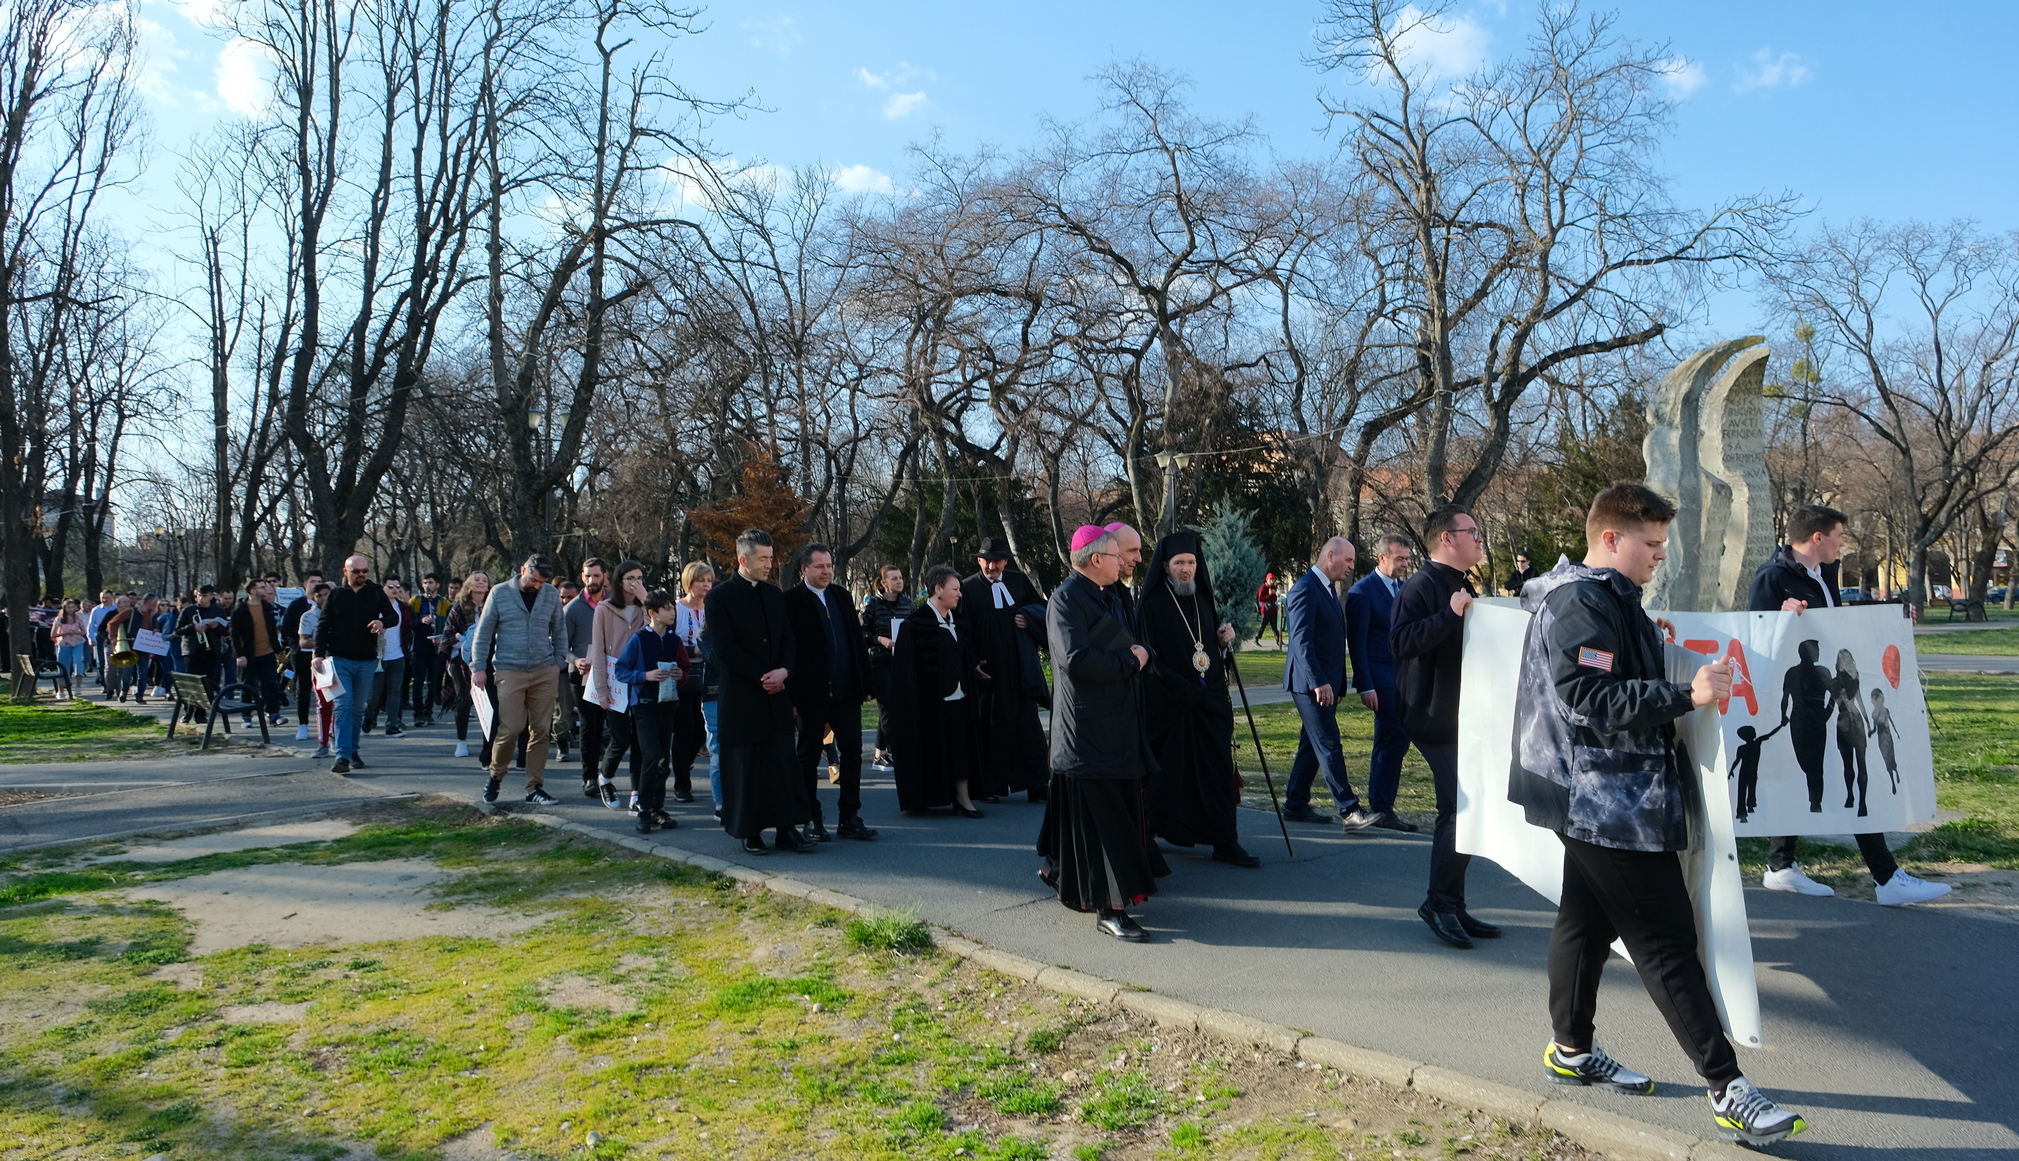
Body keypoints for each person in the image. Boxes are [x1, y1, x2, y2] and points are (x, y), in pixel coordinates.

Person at [1509, 482, 1809, 1148]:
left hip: (1595, 792)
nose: (1657, 557)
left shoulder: (1604, 597)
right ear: (1610, 539)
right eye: (1649, 544)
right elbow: (1583, 695)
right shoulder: (1583, 600)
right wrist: (1684, 692)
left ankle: (1569, 1048)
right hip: (1601, 797)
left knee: (1583, 920)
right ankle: (1728, 1088)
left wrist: (1668, 660)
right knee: (1664, 939)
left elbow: (1603, 676)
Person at [1747, 503, 1950, 906]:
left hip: (1832, 700)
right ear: (1817, 537)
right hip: (1802, 702)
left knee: (1834, 776)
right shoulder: (1772, 578)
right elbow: (1757, 635)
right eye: (1839, 535)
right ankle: (1884, 878)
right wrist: (1781, 617)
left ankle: (1783, 868)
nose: (1844, 543)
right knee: (1821, 776)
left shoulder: (1825, 575)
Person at [1039, 525, 1165, 941]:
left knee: (1111, 818)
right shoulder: (1066, 600)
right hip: (1088, 735)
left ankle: (1072, 881)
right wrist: (1132, 661)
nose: (1123, 562)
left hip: (1114, 728)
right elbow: (1077, 660)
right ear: (1096, 560)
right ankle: (1109, 910)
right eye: (1116, 555)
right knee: (1104, 826)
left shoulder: (1104, 596)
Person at [1391, 504, 1496, 949]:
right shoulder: (1421, 585)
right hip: (1433, 716)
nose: (1479, 538)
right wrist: (1450, 615)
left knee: (1470, 811)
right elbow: (1401, 641)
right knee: (1459, 809)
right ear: (1447, 538)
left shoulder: (1458, 583)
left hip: (1463, 715)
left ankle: (1452, 902)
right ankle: (1438, 903)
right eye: (1472, 531)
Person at [1136, 530, 1254, 866]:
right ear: (1165, 566)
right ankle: (1159, 827)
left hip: (1208, 705)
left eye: (1191, 562)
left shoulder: (1202, 598)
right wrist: (1185, 692)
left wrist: (1221, 641)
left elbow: (1206, 652)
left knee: (1217, 772)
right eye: (1179, 563)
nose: (1186, 569)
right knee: (1170, 776)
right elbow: (1149, 658)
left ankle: (1224, 840)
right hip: (1172, 706)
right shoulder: (1152, 605)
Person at [703, 529, 815, 855]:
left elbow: (788, 640)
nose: (769, 564)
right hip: (742, 696)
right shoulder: (720, 597)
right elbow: (725, 648)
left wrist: (784, 671)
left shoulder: (773, 594)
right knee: (745, 768)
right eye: (763, 558)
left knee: (782, 765)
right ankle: (749, 831)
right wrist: (761, 676)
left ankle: (787, 830)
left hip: (776, 694)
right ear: (743, 559)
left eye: (770, 557)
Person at [1280, 537, 1379, 830]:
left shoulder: (1327, 589)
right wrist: (1319, 682)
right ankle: (1350, 811)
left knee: (1312, 744)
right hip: (1310, 684)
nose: (1351, 567)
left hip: (1325, 683)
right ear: (1330, 555)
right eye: (1348, 560)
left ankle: (1296, 803)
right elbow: (1301, 641)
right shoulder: (1305, 589)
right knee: (1328, 743)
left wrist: (1336, 684)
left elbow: (1330, 640)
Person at [784, 543, 878, 841]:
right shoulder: (792, 601)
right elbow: (788, 651)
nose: (826, 572)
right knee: (808, 755)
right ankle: (811, 818)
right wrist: (792, 697)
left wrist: (865, 682)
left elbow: (855, 641)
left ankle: (849, 817)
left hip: (846, 692)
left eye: (829, 566)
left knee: (852, 751)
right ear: (804, 570)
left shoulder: (840, 596)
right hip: (810, 694)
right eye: (819, 567)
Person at [469, 554, 569, 805]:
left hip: (544, 669)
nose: (537, 586)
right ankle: (495, 775)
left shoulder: (550, 595)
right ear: (523, 570)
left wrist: (558, 662)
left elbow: (559, 630)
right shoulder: (500, 593)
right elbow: (483, 633)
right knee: (511, 728)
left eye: (542, 582)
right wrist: (478, 667)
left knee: (542, 731)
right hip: (509, 669)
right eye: (534, 580)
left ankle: (534, 787)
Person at [887, 564, 986, 817]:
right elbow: (906, 674)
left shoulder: (956, 622)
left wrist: (972, 665)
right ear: (938, 589)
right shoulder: (915, 625)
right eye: (955, 589)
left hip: (960, 697)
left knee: (961, 748)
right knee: (935, 749)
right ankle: (931, 796)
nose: (960, 594)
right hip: (931, 702)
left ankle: (963, 798)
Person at [956, 538, 1049, 803]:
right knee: (991, 727)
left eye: (997, 560)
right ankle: (991, 786)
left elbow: (1041, 608)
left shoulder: (1018, 582)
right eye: (986, 560)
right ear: (979, 561)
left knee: (1028, 727)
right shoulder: (968, 587)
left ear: (1006, 562)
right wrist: (972, 662)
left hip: (1019, 667)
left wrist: (1027, 618)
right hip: (989, 671)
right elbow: (962, 628)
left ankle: (1038, 784)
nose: (991, 565)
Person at [1344, 533, 1419, 832]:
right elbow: (1357, 642)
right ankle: (1382, 807)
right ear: (1382, 557)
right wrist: (1365, 684)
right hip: (1379, 677)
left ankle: (1381, 805)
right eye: (1399, 558)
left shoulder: (1404, 588)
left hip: (1403, 676)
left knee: (1391, 739)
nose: (1404, 564)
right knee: (1397, 735)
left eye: (1407, 559)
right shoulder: (1362, 592)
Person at [611, 589, 687, 834]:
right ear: (652, 613)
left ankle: (657, 809)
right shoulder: (639, 639)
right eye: (667, 608)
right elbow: (621, 670)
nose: (672, 612)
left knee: (664, 758)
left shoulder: (675, 641)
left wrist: (679, 675)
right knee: (651, 756)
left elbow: (684, 671)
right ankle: (643, 809)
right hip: (643, 705)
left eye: (673, 608)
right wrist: (645, 676)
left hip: (668, 705)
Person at [315, 556, 397, 775]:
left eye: (364, 571)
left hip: (367, 659)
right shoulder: (336, 595)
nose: (361, 575)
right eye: (356, 571)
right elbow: (323, 625)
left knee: (358, 708)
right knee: (343, 705)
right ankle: (342, 754)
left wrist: (382, 622)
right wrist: (317, 655)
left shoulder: (376, 592)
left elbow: (392, 616)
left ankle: (352, 750)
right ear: (345, 571)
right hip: (338, 659)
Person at [588, 560, 650, 810]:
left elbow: (652, 631)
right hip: (614, 681)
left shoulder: (644, 607)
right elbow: (599, 650)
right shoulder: (604, 609)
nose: (635, 583)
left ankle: (637, 793)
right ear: (619, 581)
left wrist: (646, 600)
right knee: (621, 737)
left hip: (640, 679)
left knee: (640, 741)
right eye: (630, 579)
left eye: (640, 577)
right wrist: (602, 689)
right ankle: (605, 778)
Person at [670, 563, 717, 811]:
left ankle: (683, 764)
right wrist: (694, 651)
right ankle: (681, 782)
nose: (706, 585)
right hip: (682, 677)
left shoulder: (713, 609)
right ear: (689, 582)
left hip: (709, 677)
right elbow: (668, 643)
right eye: (701, 580)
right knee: (685, 728)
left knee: (701, 731)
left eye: (709, 580)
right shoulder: (677, 609)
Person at [564, 558, 609, 794]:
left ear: (605, 576)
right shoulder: (572, 609)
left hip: (612, 673)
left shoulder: (615, 602)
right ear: (582, 577)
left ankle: (607, 775)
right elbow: (562, 646)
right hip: (583, 676)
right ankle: (590, 776)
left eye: (596, 575)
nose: (592, 580)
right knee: (590, 727)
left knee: (616, 729)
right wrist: (575, 660)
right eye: (588, 576)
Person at [861, 564, 913, 770]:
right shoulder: (873, 604)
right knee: (888, 706)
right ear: (884, 583)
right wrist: (878, 639)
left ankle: (879, 754)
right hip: (880, 662)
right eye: (894, 578)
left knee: (895, 706)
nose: (899, 581)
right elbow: (861, 635)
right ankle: (894, 752)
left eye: (900, 577)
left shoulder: (908, 605)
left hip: (901, 662)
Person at [446, 571, 492, 763]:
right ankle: (461, 741)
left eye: (484, 580)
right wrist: (463, 642)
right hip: (460, 661)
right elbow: (448, 634)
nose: (481, 583)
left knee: (490, 702)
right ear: (469, 585)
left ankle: (489, 744)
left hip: (488, 660)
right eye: (477, 580)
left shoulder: (493, 605)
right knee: (464, 699)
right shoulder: (458, 608)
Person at [229, 579, 286, 726]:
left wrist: (278, 651)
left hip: (268, 653)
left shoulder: (267, 607)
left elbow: (272, 631)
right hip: (249, 655)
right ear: (253, 591)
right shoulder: (240, 610)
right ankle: (246, 717)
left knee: (271, 684)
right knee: (248, 686)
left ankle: (273, 714)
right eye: (261, 588)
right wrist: (240, 654)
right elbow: (234, 635)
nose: (265, 590)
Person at [362, 577, 412, 738]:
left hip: (398, 655)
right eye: (390, 586)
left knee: (395, 691)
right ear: (383, 589)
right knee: (374, 694)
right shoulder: (375, 607)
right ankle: (368, 719)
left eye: (397, 586)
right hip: (378, 657)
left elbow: (410, 627)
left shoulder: (404, 607)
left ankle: (392, 725)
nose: (394, 589)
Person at [280, 572, 324, 740]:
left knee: (326, 689)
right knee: (303, 689)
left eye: (319, 581)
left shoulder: (327, 605)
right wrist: (303, 634)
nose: (316, 584)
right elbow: (286, 628)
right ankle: (303, 725)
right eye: (313, 581)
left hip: (322, 653)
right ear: (305, 584)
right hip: (302, 653)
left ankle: (327, 725)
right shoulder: (297, 605)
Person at [297, 583, 335, 758]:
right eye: (320, 595)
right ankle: (323, 742)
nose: (324, 598)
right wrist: (323, 644)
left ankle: (337, 738)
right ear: (314, 597)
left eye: (328, 594)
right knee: (324, 704)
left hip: (340, 661)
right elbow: (304, 642)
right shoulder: (308, 616)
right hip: (322, 664)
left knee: (340, 704)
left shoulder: (339, 613)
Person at [409, 572, 451, 727]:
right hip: (419, 646)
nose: (428, 585)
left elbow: (449, 624)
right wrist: (421, 620)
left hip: (436, 647)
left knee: (433, 681)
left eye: (431, 582)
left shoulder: (444, 603)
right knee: (419, 681)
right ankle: (418, 714)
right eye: (425, 582)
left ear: (438, 585)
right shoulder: (415, 601)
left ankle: (428, 712)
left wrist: (442, 638)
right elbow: (409, 623)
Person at [176, 587, 229, 700]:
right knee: (192, 683)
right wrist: (194, 627)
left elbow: (225, 631)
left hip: (212, 651)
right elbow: (178, 630)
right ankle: (189, 710)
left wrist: (216, 627)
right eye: (199, 595)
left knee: (210, 682)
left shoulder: (218, 610)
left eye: (205, 596)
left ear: (211, 596)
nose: (201, 598)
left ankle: (206, 710)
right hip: (193, 650)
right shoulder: (188, 610)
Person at [1103, 522, 1144, 624]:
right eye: (1132, 550)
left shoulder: (1122, 590)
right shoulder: (1098, 593)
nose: (1139, 559)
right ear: (1113, 549)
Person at [53, 599, 86, 697]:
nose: (71, 610)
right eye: (68, 607)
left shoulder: (78, 618)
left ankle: (78, 687)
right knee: (63, 665)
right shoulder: (59, 619)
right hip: (64, 643)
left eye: (73, 607)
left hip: (77, 642)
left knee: (78, 661)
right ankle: (61, 690)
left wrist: (76, 632)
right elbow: (53, 634)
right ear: (65, 608)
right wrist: (64, 633)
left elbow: (83, 631)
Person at [1254, 573, 1282, 647]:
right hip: (1266, 610)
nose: (1272, 581)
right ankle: (1256, 639)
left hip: (1272, 610)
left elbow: (1274, 599)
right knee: (1262, 626)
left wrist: (1273, 594)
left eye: (1273, 580)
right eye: (1270, 579)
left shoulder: (1272, 587)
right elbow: (1260, 599)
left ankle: (1279, 640)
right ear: (1267, 579)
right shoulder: (1263, 588)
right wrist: (1269, 595)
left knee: (1275, 626)